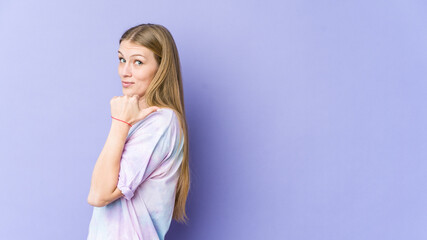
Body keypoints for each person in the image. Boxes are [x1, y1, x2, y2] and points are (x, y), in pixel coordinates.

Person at [86, 23, 190, 240]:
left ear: (161, 69)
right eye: (122, 59)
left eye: (138, 62)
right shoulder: (137, 119)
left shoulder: (162, 122)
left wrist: (119, 122)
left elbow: (99, 195)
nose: (125, 71)